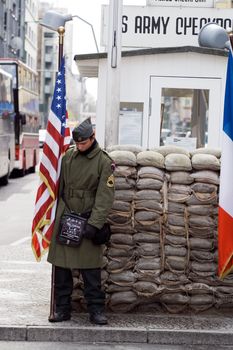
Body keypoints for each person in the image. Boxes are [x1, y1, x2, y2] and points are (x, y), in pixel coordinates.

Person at [47, 117, 115, 325]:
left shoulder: (104, 161)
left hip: (88, 219)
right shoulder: (68, 157)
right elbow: (61, 189)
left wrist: (94, 224)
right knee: (61, 267)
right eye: (77, 143)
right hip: (66, 217)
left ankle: (96, 310)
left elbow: (105, 196)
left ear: (92, 138)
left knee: (91, 270)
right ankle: (62, 309)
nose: (80, 146)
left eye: (83, 143)